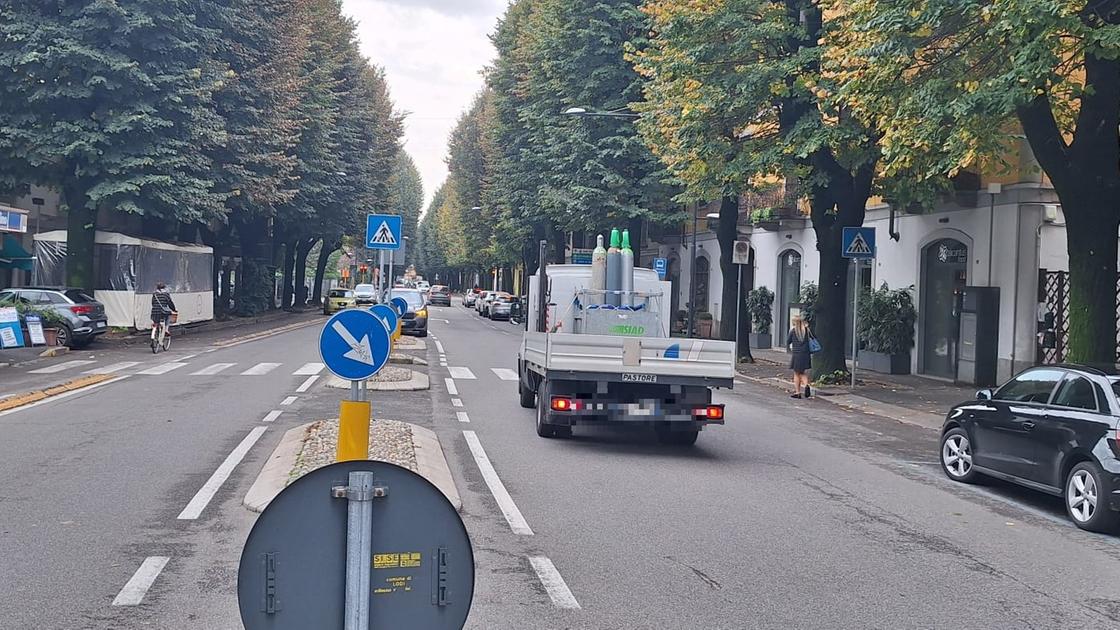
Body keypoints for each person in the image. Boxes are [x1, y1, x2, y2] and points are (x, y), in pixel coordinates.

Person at [787, 314, 813, 399]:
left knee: (797, 373)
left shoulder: (793, 331)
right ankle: (806, 386)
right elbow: (814, 338)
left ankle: (798, 392)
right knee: (801, 372)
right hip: (806, 354)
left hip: (797, 354)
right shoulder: (807, 330)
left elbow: (788, 341)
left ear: (794, 323)